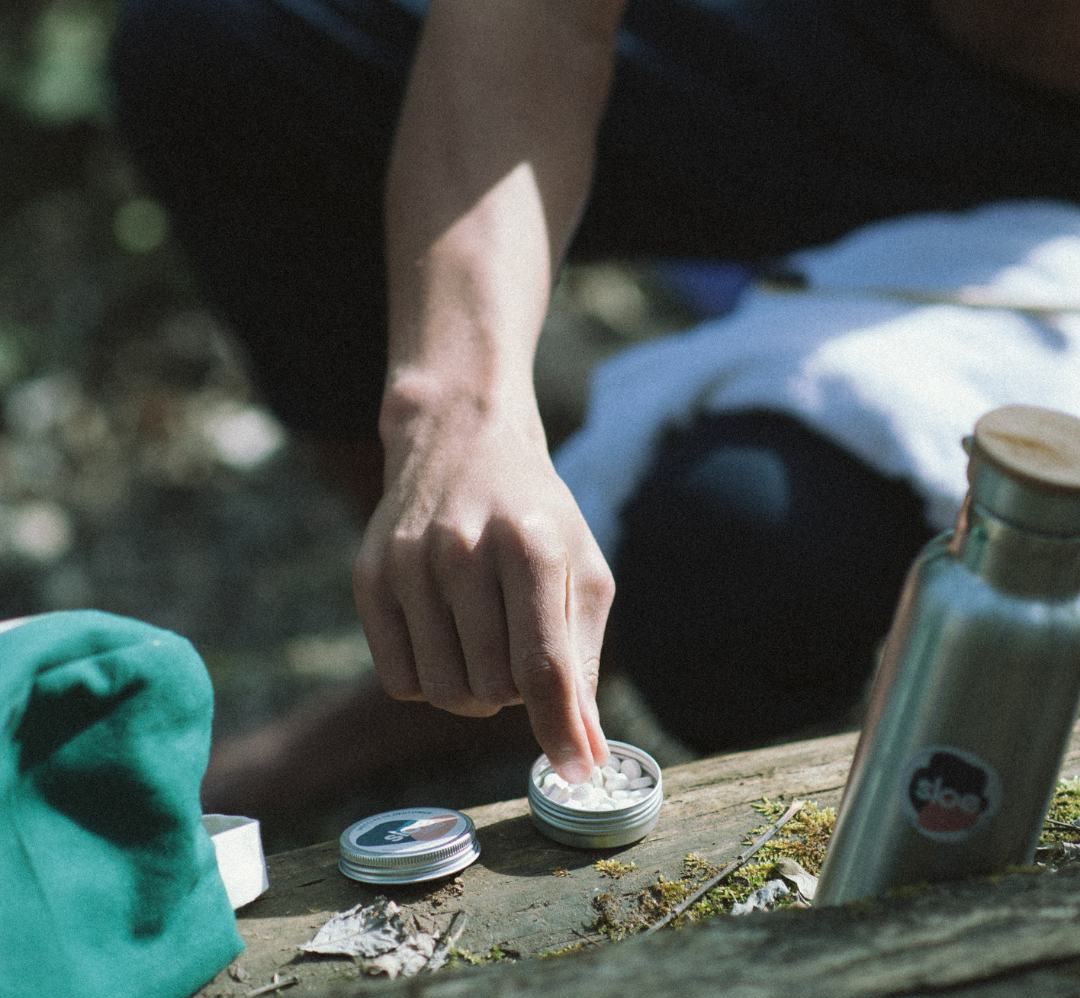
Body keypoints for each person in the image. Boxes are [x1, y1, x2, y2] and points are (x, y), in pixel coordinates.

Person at [108, 0, 1080, 809]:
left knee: (738, 550)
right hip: (863, 48)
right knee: (219, 46)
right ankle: (468, 647)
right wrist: (455, 414)